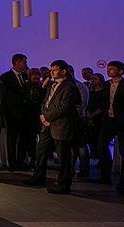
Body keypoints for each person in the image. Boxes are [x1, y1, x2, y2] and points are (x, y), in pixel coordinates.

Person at [25, 59, 82, 194]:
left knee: (63, 157)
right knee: (41, 150)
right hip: (47, 125)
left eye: (55, 70)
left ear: (63, 71)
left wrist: (47, 117)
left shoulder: (70, 87)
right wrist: (42, 115)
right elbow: (45, 102)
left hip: (61, 125)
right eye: (51, 70)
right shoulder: (51, 85)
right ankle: (38, 178)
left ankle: (63, 185)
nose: (51, 72)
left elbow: (63, 108)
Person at [96, 60, 124, 189]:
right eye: (108, 68)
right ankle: (105, 176)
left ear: (120, 71)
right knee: (101, 146)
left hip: (123, 123)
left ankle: (123, 182)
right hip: (109, 121)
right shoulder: (106, 85)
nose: (108, 71)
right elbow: (104, 102)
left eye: (111, 69)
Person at [0, 53, 30, 171]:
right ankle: (11, 162)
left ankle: (20, 161)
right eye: (24, 62)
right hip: (11, 114)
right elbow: (3, 96)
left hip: (24, 114)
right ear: (17, 62)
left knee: (23, 139)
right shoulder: (6, 77)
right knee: (12, 139)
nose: (26, 64)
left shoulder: (25, 76)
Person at [22, 67, 45, 168]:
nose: (36, 77)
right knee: (29, 140)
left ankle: (36, 160)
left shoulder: (42, 87)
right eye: (34, 75)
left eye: (38, 75)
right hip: (27, 117)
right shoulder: (25, 86)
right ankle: (30, 159)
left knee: (39, 140)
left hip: (39, 117)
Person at [85, 73, 107, 166]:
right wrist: (88, 116)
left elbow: (102, 106)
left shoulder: (104, 92)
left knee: (100, 141)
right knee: (91, 139)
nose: (93, 80)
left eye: (95, 79)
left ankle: (102, 161)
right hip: (90, 118)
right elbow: (87, 105)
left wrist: (92, 115)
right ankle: (94, 157)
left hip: (100, 119)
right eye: (92, 79)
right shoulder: (90, 92)